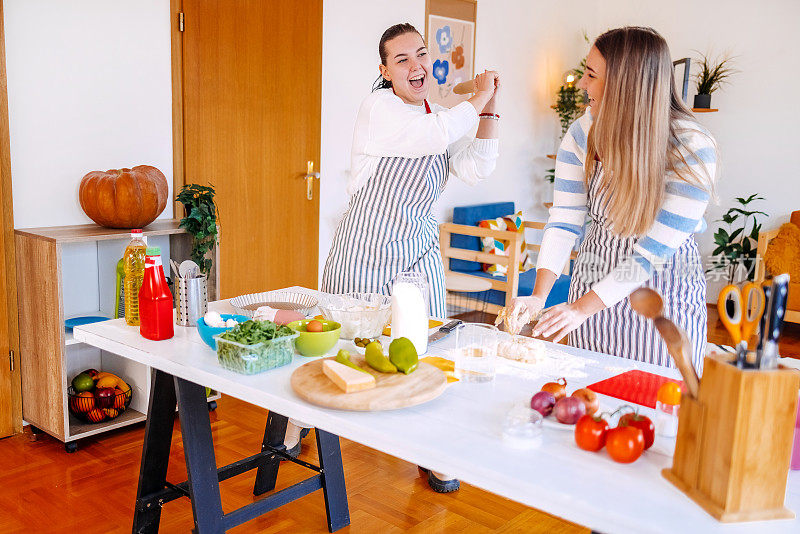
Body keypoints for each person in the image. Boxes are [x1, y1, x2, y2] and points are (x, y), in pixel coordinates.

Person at [312, 23, 499, 493]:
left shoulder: (440, 112)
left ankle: (435, 453)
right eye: (402, 60)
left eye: (421, 54)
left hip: (416, 249)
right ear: (385, 71)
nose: (416, 66)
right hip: (366, 248)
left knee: (431, 347)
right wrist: (474, 99)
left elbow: (476, 167)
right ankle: (298, 427)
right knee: (347, 347)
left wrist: (489, 104)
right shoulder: (380, 108)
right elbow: (437, 134)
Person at [511, 26, 717, 372]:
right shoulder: (583, 133)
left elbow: (650, 255)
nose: (581, 85)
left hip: (663, 304)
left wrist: (579, 309)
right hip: (593, 293)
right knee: (588, 396)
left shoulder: (690, 149)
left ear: (625, 84)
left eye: (590, 75)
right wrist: (539, 295)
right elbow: (564, 219)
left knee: (660, 408)